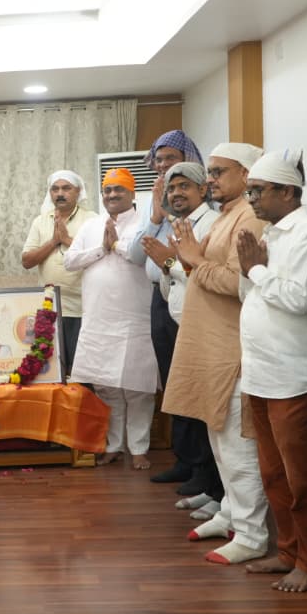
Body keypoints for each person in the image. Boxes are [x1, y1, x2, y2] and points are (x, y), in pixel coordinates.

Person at [163, 143, 270, 567]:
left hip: (232, 347)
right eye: (210, 171)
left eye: (219, 171)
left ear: (247, 174)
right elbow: (203, 270)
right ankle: (229, 514)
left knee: (238, 448)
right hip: (211, 345)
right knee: (219, 439)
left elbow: (239, 283)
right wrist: (190, 261)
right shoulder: (228, 214)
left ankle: (251, 534)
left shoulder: (250, 218)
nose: (211, 179)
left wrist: (192, 260)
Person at [235, 149, 307, 593]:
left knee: (302, 476)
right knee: (273, 474)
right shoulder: (271, 233)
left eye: (258, 191)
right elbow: (253, 294)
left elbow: (297, 300)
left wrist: (255, 268)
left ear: (288, 192)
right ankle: (289, 551)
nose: (252, 198)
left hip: (294, 377)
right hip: (261, 373)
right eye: (250, 191)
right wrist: (253, 269)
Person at [128, 131, 210, 491]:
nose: (163, 166)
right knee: (173, 380)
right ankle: (184, 459)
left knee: (194, 381)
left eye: (170, 158)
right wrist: (155, 216)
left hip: (192, 299)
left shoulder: (202, 208)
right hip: (159, 298)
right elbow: (135, 256)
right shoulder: (158, 202)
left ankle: (203, 467)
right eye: (158, 160)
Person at [64, 168, 161, 469]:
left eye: (119, 189)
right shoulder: (92, 225)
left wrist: (117, 246)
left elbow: (141, 257)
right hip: (98, 318)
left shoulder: (145, 224)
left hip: (135, 318)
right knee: (106, 387)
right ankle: (114, 445)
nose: (112, 195)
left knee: (138, 387)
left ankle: (139, 448)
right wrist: (101, 248)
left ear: (132, 193)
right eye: (107, 190)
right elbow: (69, 261)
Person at [137, 161, 223, 500]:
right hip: (176, 317)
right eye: (171, 189)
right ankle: (190, 464)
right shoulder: (179, 224)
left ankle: (207, 477)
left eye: (184, 186)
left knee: (201, 400)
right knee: (182, 393)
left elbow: (206, 274)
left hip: (203, 321)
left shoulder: (211, 224)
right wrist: (167, 265)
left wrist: (169, 262)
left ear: (202, 189)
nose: (176, 193)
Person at [21, 170, 97, 375]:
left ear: (78, 191)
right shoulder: (40, 221)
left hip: (81, 307)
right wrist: (54, 241)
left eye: (66, 188)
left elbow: (99, 255)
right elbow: (26, 261)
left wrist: (66, 240)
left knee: (81, 370)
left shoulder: (91, 220)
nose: (60, 193)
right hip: (49, 307)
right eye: (55, 189)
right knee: (52, 369)